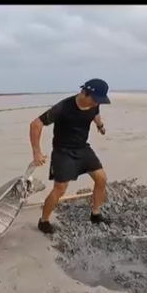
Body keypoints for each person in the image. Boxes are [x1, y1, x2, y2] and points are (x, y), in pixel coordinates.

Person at [29, 78, 111, 234]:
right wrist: (37, 152)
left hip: (82, 148)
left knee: (101, 178)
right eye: (94, 99)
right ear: (83, 92)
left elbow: (96, 113)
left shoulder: (95, 103)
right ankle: (44, 221)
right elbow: (35, 124)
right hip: (63, 151)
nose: (96, 103)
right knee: (60, 188)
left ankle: (95, 214)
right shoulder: (63, 107)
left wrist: (100, 126)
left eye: (99, 101)